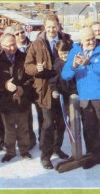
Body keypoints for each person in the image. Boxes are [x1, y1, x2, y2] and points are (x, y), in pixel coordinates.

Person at [61, 27, 100, 173]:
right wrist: (73, 66)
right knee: (89, 130)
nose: (91, 41)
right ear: (81, 41)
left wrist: (89, 64)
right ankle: (94, 156)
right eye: (87, 40)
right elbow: (65, 75)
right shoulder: (74, 51)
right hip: (85, 97)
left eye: (93, 38)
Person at [24, 14, 72, 169]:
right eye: (49, 27)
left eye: (54, 26)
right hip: (45, 90)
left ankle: (57, 148)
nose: (52, 30)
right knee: (48, 124)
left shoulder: (66, 40)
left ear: (58, 25)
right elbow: (27, 66)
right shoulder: (37, 44)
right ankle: (46, 156)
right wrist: (36, 69)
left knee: (62, 123)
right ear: (45, 26)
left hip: (63, 89)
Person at [0, 33, 32, 162]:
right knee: (8, 129)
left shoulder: (24, 57)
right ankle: (10, 151)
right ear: (2, 46)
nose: (12, 48)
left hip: (21, 99)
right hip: (5, 100)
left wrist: (22, 89)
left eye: (13, 44)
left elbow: (30, 78)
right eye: (8, 46)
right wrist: (5, 85)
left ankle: (24, 150)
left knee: (23, 127)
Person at [47, 39, 77, 160]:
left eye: (66, 53)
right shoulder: (57, 65)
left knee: (75, 121)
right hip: (62, 96)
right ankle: (56, 147)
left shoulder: (74, 62)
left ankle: (76, 148)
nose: (64, 56)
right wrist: (54, 90)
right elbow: (53, 80)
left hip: (74, 95)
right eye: (61, 53)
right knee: (60, 123)